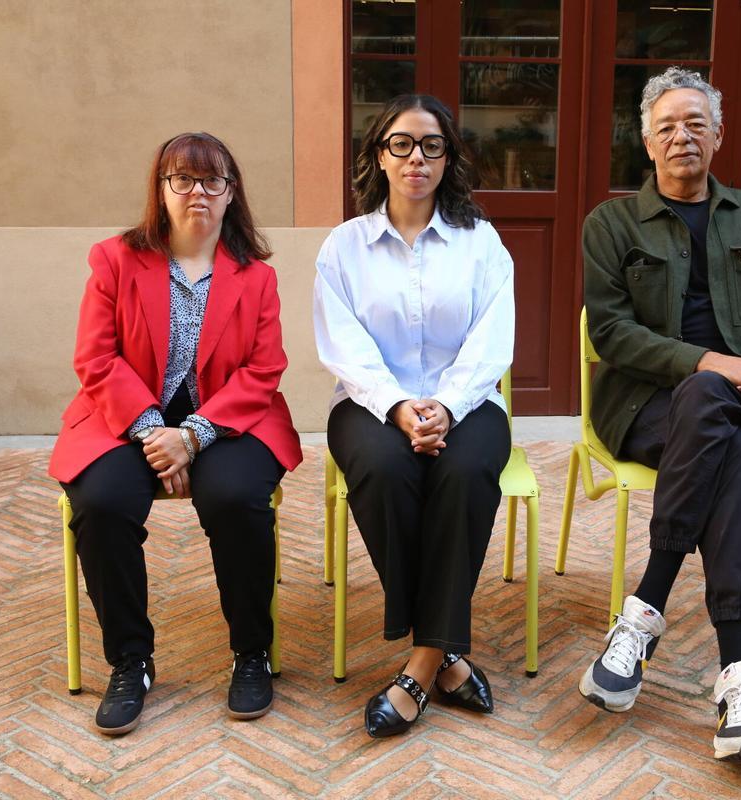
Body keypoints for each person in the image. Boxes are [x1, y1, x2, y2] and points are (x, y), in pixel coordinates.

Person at [577, 68, 741, 763]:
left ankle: (644, 612)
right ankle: (740, 677)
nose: (682, 137)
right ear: (646, 143)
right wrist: (719, 366)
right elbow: (612, 335)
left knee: (719, 415)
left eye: (694, 123)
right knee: (724, 435)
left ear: (719, 134)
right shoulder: (612, 224)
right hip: (644, 406)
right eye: (666, 126)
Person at [48, 132, 302, 735]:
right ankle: (130, 661)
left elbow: (263, 369)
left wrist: (191, 435)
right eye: (181, 179)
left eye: (212, 181)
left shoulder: (255, 278)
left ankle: (251, 653)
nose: (197, 193)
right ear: (160, 191)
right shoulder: (114, 260)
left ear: (231, 193)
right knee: (102, 502)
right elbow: (96, 358)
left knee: (236, 498)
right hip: (125, 419)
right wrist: (150, 432)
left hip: (230, 420)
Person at [313, 94, 515, 738]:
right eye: (400, 143)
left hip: (470, 401)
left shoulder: (480, 242)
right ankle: (449, 653)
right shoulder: (344, 247)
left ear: (448, 157)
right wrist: (399, 407)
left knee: (465, 472)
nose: (415, 158)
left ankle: (423, 662)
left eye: (431, 145)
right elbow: (341, 343)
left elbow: (492, 339)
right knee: (381, 467)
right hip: (370, 403)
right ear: (379, 154)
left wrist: (448, 406)